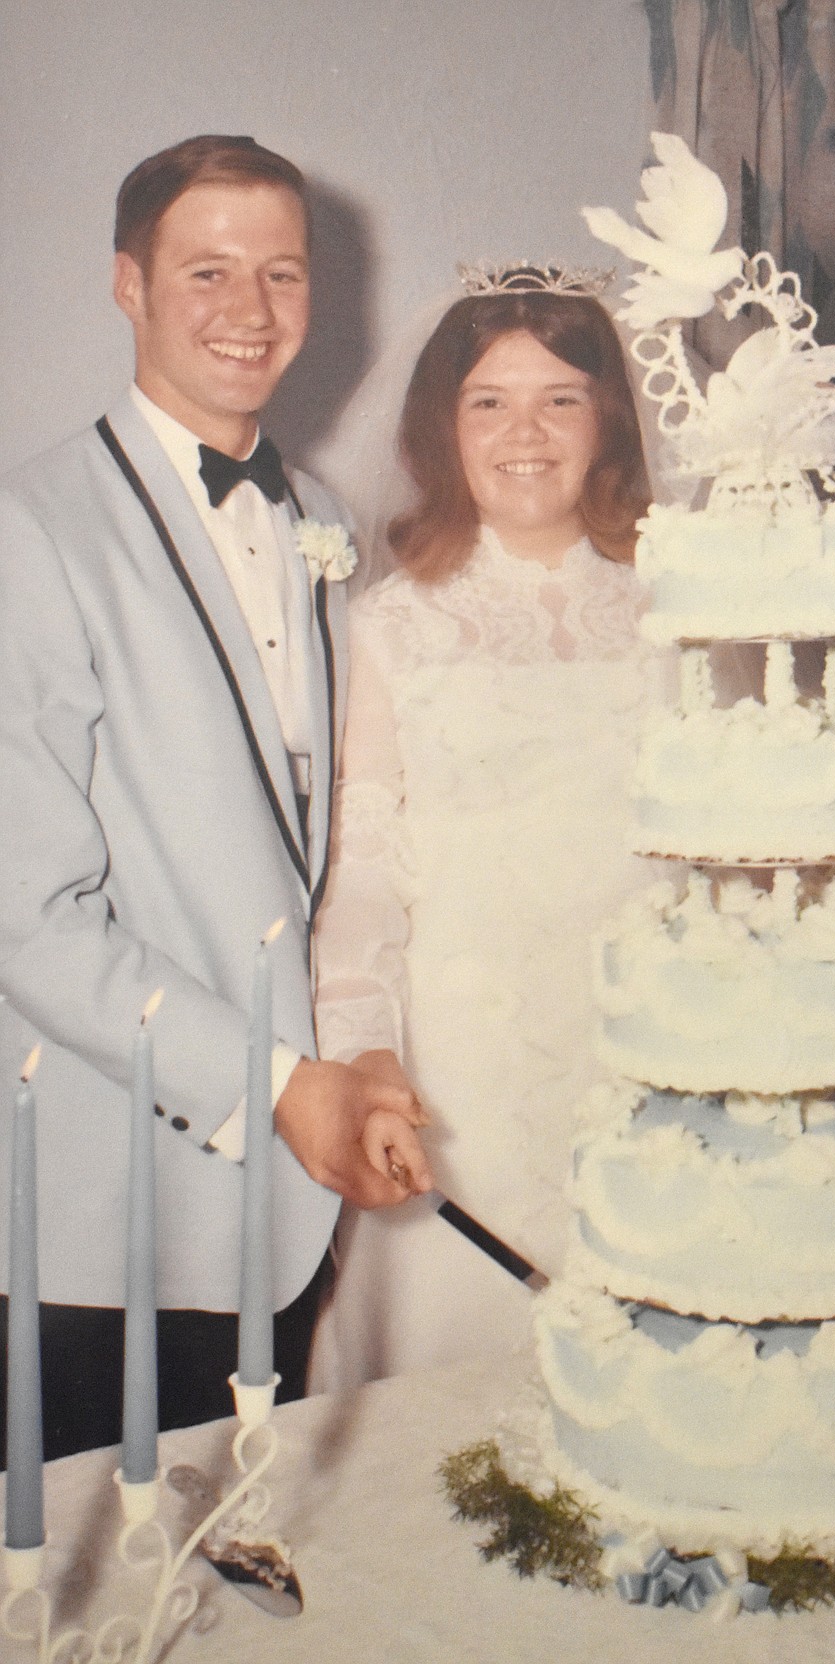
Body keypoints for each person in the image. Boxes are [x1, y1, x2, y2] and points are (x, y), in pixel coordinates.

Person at [0, 134, 431, 1463]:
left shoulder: (321, 516)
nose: (250, 313)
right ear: (127, 284)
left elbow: (308, 852)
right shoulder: (32, 531)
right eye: (207, 271)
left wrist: (349, 1057)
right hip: (102, 1218)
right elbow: (27, 923)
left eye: (282, 274)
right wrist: (274, 1084)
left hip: (284, 1219)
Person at [310, 268, 670, 1387]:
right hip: (472, 1062)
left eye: (561, 397)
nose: (526, 432)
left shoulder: (683, 599)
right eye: (488, 401)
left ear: (608, 416)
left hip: (651, 1039)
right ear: (441, 426)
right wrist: (366, 1050)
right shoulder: (393, 622)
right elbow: (364, 860)